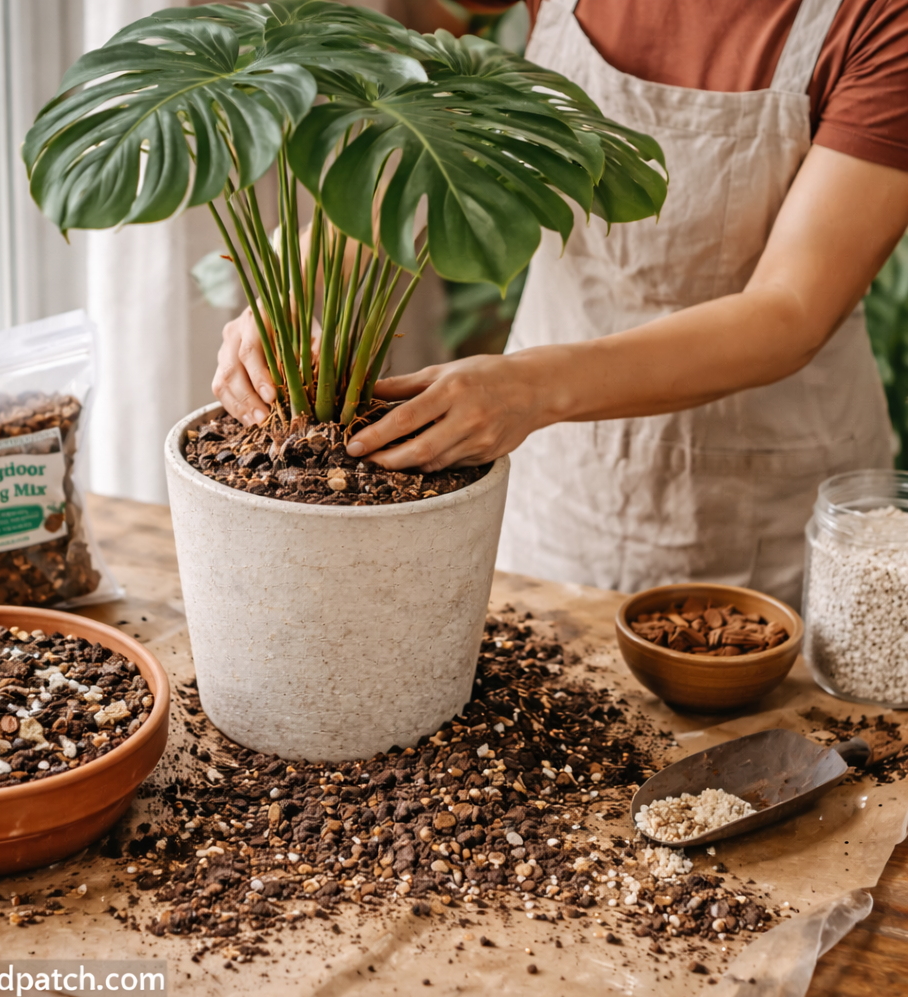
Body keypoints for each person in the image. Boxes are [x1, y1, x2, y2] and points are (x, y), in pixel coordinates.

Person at [213, 0, 908, 607]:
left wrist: (532, 387)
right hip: (553, 468)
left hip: (759, 482)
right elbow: (424, 116)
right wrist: (297, 287)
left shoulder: (880, 18)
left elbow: (790, 309)